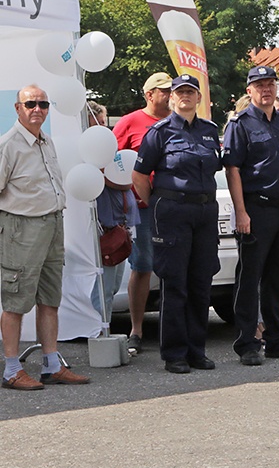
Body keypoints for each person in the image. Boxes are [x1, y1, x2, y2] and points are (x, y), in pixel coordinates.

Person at [131, 75, 222, 373]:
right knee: (175, 284)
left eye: (190, 92)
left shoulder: (209, 130)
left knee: (200, 283)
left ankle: (196, 350)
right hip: (172, 213)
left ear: (198, 97)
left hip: (205, 213)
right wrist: (161, 203)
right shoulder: (160, 132)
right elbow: (139, 177)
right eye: (179, 92)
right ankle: (174, 354)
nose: (185, 96)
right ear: (171, 98)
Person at [1, 85, 90, 390]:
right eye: (30, 104)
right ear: (17, 108)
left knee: (50, 299)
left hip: (52, 224)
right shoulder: (8, 145)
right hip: (21, 229)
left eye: (43, 104)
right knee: (15, 301)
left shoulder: (45, 141)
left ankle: (51, 365)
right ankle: (12, 370)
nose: (37, 109)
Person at [223, 65, 279, 365]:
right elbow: (233, 169)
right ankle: (248, 342)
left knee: (277, 279)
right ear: (249, 90)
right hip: (256, 208)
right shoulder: (241, 123)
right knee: (250, 278)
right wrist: (241, 212)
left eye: (271, 84)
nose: (266, 89)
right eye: (259, 85)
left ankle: (276, 339)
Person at [112, 71, 173, 355]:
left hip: (176, 207)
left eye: (172, 90)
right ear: (149, 95)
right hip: (144, 210)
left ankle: (174, 325)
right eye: (165, 91)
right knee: (143, 266)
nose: (171, 95)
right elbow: (108, 160)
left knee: (176, 265)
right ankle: (137, 329)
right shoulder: (130, 122)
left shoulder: (180, 122)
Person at [87, 101, 140, 321]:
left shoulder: (110, 150)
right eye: (95, 124)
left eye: (102, 123)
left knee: (114, 284)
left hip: (123, 224)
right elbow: (116, 180)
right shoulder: (90, 154)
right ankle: (100, 330)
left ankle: (104, 327)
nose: (101, 128)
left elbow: (126, 177)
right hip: (107, 227)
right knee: (105, 286)